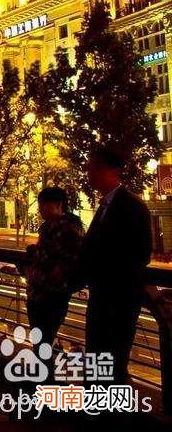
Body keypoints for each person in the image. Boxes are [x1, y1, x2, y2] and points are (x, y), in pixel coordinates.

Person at [78, 146, 152, 384]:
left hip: (118, 299)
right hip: (102, 295)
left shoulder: (132, 207)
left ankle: (110, 416)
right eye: (90, 167)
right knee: (99, 358)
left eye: (95, 167)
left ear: (114, 170)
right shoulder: (104, 206)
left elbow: (140, 253)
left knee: (113, 360)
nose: (90, 173)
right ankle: (99, 413)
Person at [24, 187, 83, 350]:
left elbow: (67, 263)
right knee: (40, 344)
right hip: (37, 293)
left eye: (44, 205)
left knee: (43, 343)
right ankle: (42, 373)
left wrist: (44, 267)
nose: (40, 209)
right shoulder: (48, 227)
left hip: (52, 295)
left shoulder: (69, 229)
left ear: (58, 205)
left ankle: (44, 375)